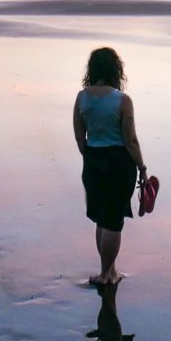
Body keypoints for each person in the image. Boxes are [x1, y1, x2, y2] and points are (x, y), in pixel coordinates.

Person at [73, 47, 147, 286]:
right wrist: (142, 168)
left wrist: (91, 157)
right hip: (119, 162)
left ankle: (109, 269)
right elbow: (131, 140)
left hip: (93, 160)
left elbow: (79, 137)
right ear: (117, 71)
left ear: (92, 70)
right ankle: (107, 275)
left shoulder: (81, 98)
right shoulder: (122, 100)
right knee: (113, 220)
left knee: (101, 218)